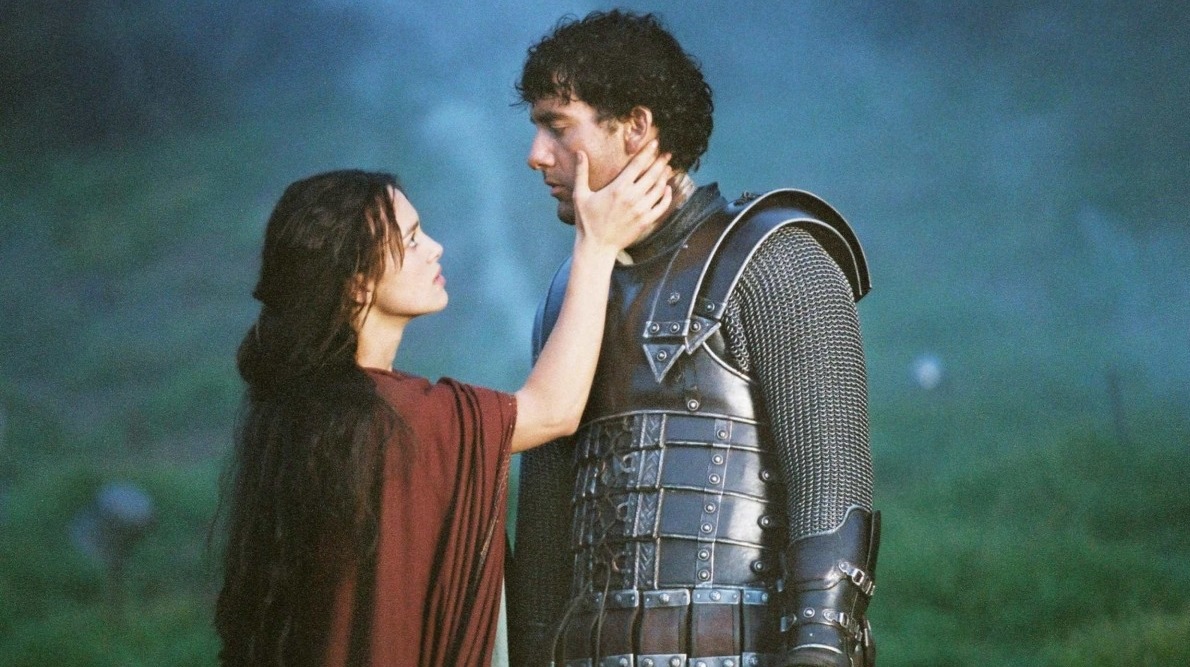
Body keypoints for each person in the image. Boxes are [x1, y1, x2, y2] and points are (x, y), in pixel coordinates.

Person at [507, 10, 881, 667]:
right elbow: (543, 549)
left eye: (558, 127)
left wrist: (819, 653)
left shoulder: (775, 259)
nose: (537, 155)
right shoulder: (572, 293)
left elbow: (831, 503)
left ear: (637, 126)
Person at [215, 148, 672, 667]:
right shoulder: (392, 420)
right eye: (411, 240)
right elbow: (554, 409)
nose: (435, 248)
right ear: (358, 283)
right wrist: (597, 245)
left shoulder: (305, 411)